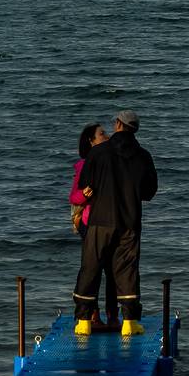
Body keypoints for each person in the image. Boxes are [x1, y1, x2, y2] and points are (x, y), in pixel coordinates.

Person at [73, 110, 157, 338]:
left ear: (118, 124)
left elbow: (85, 185)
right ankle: (129, 322)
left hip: (100, 219)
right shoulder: (143, 156)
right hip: (129, 220)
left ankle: (83, 322)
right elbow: (149, 192)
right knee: (127, 270)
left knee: (91, 267)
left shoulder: (99, 152)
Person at [69, 122, 118, 330]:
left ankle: (112, 316)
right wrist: (86, 193)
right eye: (101, 134)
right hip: (90, 223)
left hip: (108, 221)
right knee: (94, 270)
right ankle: (94, 316)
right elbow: (74, 196)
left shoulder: (111, 159)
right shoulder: (85, 164)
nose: (106, 136)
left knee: (112, 270)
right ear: (91, 141)